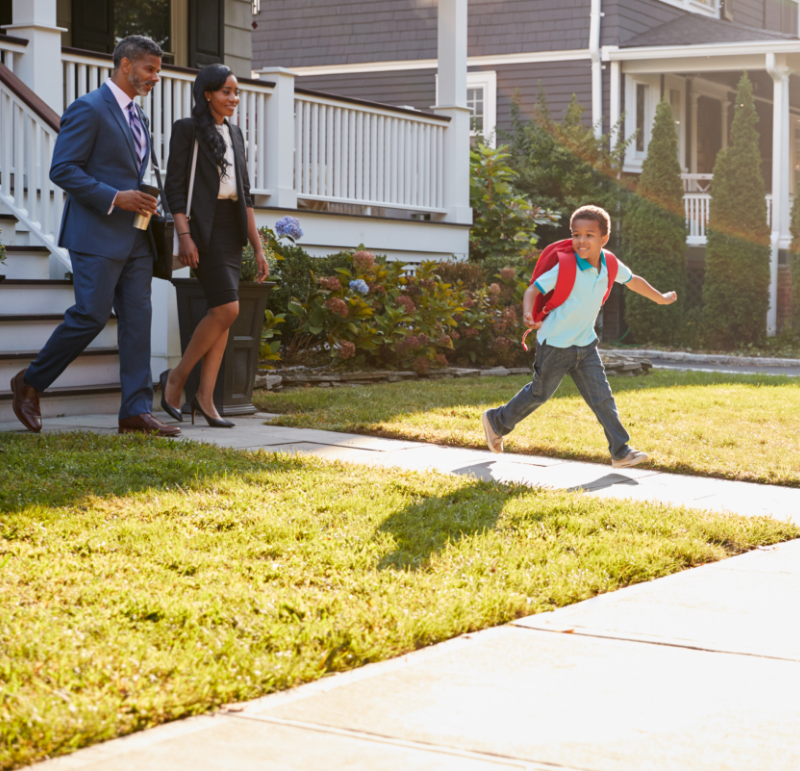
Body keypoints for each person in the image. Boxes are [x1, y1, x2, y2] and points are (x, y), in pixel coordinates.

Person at [10, 36, 181, 438]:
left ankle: (135, 412)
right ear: (125, 65)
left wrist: (141, 199)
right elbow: (63, 170)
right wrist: (116, 197)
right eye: (150, 69)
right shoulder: (87, 108)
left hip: (137, 238)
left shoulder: (140, 117)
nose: (156, 77)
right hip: (95, 234)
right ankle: (30, 382)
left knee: (139, 321)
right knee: (90, 316)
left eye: (158, 69)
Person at [481, 205, 677, 468]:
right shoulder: (566, 267)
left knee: (603, 398)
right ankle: (497, 421)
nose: (581, 241)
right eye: (576, 235)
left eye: (589, 235)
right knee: (539, 394)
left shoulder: (610, 264)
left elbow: (634, 281)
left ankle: (621, 451)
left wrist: (662, 298)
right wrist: (528, 314)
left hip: (585, 345)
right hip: (555, 345)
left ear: (604, 239)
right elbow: (532, 291)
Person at [162, 64, 269, 428]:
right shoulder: (188, 129)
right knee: (226, 309)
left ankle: (205, 399)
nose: (233, 98)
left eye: (236, 92)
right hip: (202, 230)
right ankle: (176, 379)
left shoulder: (236, 134)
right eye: (226, 91)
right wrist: (185, 236)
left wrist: (257, 247)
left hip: (231, 231)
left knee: (223, 316)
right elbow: (174, 188)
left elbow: (246, 196)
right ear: (207, 93)